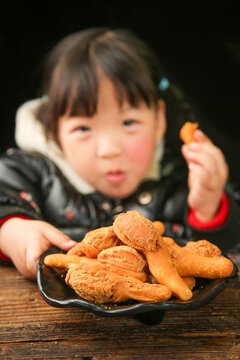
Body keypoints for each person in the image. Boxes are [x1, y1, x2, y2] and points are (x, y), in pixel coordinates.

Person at [0, 27, 239, 279]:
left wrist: (209, 208)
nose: (109, 150)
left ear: (159, 120)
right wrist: (13, 230)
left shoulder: (183, 179)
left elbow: (217, 256)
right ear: (54, 131)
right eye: (82, 128)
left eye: (128, 123)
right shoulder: (32, 173)